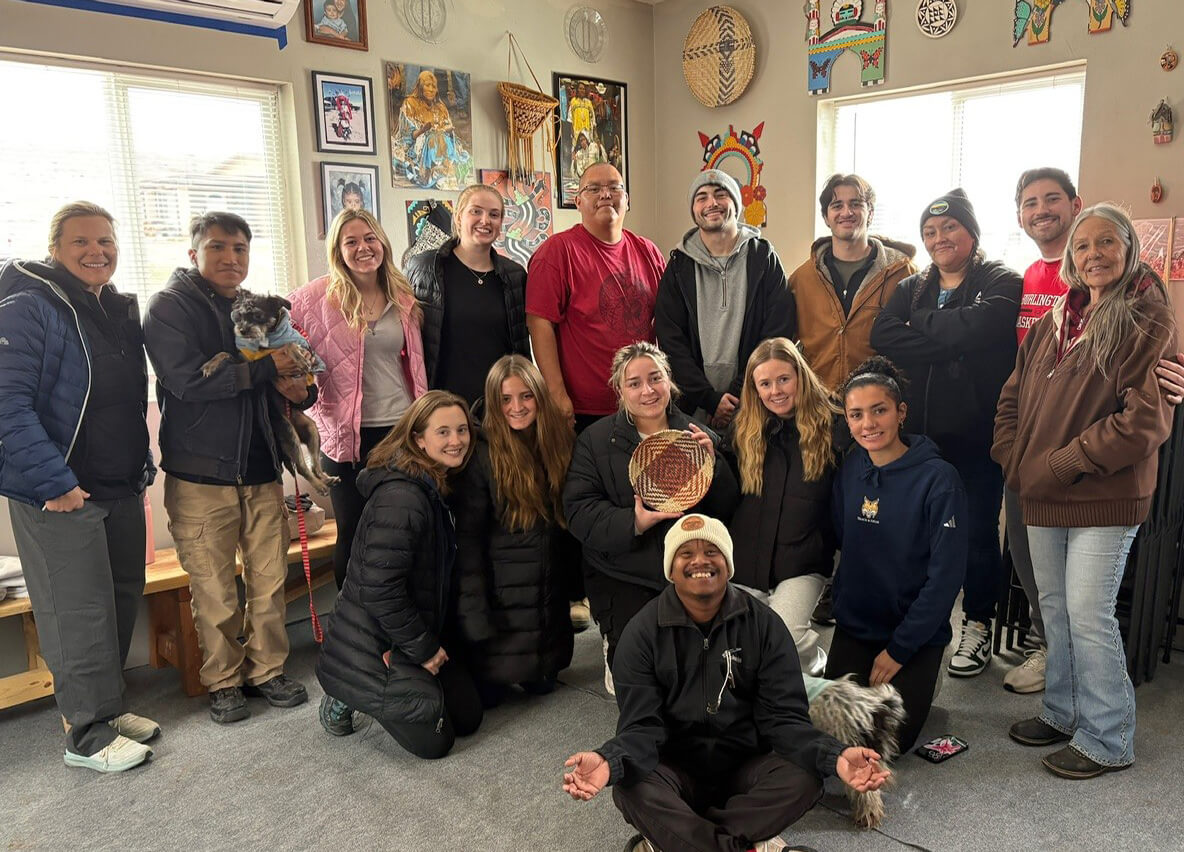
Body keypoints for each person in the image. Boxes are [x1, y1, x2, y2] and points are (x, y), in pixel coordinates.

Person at [562, 515, 890, 852]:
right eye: (686, 553)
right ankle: (745, 845)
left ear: (728, 565)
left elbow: (786, 723)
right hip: (673, 770)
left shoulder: (765, 627)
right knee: (630, 786)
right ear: (670, 569)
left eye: (711, 552)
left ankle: (679, 842)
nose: (700, 561)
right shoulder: (641, 634)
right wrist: (609, 760)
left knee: (805, 778)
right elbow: (641, 729)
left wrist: (835, 756)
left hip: (746, 768)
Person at [994, 204, 1177, 779]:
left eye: (1106, 243)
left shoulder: (1146, 317)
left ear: (1129, 249)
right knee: (1053, 607)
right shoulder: (1055, 319)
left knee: (1088, 613)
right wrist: (1012, 457)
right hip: (1040, 490)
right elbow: (1012, 395)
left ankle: (1107, 736)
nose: (1093, 254)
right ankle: (1063, 710)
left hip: (1104, 495)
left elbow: (1143, 422)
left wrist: (1063, 463)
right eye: (1082, 246)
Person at [0, 202, 158, 773]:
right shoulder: (28, 305)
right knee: (77, 613)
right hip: (61, 490)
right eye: (81, 242)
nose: (97, 251)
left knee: (119, 598)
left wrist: (141, 468)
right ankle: (85, 734)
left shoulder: (111, 306)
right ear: (54, 249)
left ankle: (106, 710)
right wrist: (53, 480)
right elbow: (7, 403)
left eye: (106, 240)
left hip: (119, 484)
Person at [143, 212, 312, 724]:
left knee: (269, 580)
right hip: (201, 474)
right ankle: (223, 680)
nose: (230, 258)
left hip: (262, 466)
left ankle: (268, 670)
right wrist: (266, 367)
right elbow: (189, 383)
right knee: (214, 589)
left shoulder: (256, 307)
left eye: (240, 248)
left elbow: (296, 372)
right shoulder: (168, 307)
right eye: (217, 247)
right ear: (193, 253)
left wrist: (302, 387)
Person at [870, 189, 1021, 680]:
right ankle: (915, 622)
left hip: (978, 438)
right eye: (930, 231)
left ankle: (977, 623)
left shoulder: (1001, 279)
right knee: (915, 532)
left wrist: (924, 328)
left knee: (976, 535)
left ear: (971, 232)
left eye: (950, 227)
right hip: (920, 440)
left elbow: (981, 329)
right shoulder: (911, 287)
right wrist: (950, 342)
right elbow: (882, 334)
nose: (939, 238)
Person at [316, 391, 484, 759]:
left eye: (462, 430)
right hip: (373, 643)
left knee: (468, 716)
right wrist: (424, 650)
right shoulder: (402, 498)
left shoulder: (435, 483)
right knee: (436, 744)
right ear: (419, 439)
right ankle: (345, 694)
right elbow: (380, 590)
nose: (456, 440)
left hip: (407, 629)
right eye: (443, 432)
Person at [563, 342, 739, 687]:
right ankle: (613, 642)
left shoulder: (696, 434)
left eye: (655, 378)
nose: (648, 390)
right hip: (623, 573)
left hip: (686, 571)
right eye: (634, 383)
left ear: (668, 381)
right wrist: (634, 523)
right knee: (639, 676)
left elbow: (727, 509)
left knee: (701, 672)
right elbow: (579, 512)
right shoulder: (594, 441)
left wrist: (716, 466)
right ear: (620, 389)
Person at [827, 357, 968, 752]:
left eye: (879, 411)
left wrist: (900, 649)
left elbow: (946, 579)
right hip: (858, 626)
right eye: (856, 415)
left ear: (901, 412)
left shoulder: (940, 480)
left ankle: (927, 675)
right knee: (832, 728)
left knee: (887, 741)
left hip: (913, 634)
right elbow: (844, 541)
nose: (868, 424)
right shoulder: (850, 468)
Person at [288, 208, 427, 590]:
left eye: (369, 238)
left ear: (382, 242)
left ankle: (397, 616)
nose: (363, 248)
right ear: (338, 250)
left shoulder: (403, 295)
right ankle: (351, 621)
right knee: (352, 533)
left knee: (402, 530)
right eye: (351, 242)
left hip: (401, 431)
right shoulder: (313, 299)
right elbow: (277, 336)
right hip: (345, 439)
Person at [453, 356, 576, 700]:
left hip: (546, 601)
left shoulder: (558, 442)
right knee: (489, 700)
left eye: (526, 396)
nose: (517, 407)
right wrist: (474, 619)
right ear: (494, 402)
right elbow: (468, 545)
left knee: (544, 687)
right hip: (500, 601)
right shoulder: (481, 455)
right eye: (506, 399)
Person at [727, 338, 839, 677]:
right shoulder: (744, 428)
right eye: (765, 383)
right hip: (747, 562)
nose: (775, 391)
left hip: (802, 563)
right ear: (754, 389)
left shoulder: (833, 425)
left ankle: (812, 661)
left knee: (782, 638)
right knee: (736, 646)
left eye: (783, 379)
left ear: (800, 376)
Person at [527, 162, 665, 432]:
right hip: (584, 410)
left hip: (644, 402)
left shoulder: (648, 251)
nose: (605, 194)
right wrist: (556, 393)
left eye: (614, 187)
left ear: (627, 199)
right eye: (593, 189)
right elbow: (539, 324)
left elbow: (666, 322)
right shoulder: (557, 252)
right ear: (578, 202)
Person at [655, 170, 795, 431]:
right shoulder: (678, 266)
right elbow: (670, 338)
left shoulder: (763, 258)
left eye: (721, 194)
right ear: (693, 209)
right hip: (694, 407)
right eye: (701, 197)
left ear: (736, 203)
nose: (712, 203)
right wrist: (709, 399)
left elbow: (778, 330)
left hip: (757, 400)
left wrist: (737, 394)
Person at [788, 173, 917, 392]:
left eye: (856, 204)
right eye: (837, 205)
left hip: (880, 401)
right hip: (819, 402)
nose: (846, 212)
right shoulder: (802, 279)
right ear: (826, 217)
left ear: (870, 213)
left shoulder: (904, 274)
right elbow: (784, 345)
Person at [404, 184, 530, 407]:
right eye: (476, 211)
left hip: (501, 404)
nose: (485, 220)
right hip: (443, 405)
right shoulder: (424, 267)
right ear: (459, 216)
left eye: (494, 214)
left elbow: (520, 346)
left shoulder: (515, 275)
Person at [392, 69, 473, 190]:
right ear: (420, 86)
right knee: (433, 138)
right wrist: (423, 130)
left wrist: (448, 131)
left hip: (442, 143)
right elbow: (407, 136)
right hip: (417, 145)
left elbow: (447, 129)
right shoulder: (410, 103)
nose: (431, 89)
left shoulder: (440, 107)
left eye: (433, 86)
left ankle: (445, 172)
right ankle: (433, 173)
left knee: (442, 138)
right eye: (427, 85)